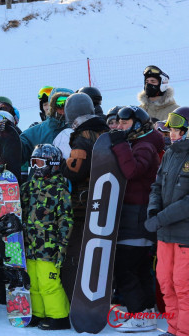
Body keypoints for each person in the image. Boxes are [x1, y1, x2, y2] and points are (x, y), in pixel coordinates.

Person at [109, 106, 164, 331]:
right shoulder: (140, 143)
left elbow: (132, 171)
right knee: (139, 267)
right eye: (119, 123)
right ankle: (146, 310)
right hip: (135, 213)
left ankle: (139, 312)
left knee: (124, 267)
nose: (120, 127)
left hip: (137, 215)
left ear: (138, 124)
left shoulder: (145, 146)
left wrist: (119, 144)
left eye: (125, 123)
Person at [58, 93, 109, 300]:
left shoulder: (83, 136)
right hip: (106, 200)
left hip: (83, 203)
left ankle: (76, 297)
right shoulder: (105, 132)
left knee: (75, 252)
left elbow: (76, 169)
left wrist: (60, 164)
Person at [147, 106, 189, 336]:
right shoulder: (170, 154)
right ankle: (174, 329)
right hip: (164, 233)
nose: (171, 134)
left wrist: (161, 217)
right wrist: (153, 211)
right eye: (171, 130)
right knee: (166, 283)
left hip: (185, 236)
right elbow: (156, 186)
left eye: (177, 130)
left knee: (184, 286)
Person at [22, 144, 73, 330]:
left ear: (53, 164)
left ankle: (59, 316)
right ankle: (38, 313)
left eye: (40, 162)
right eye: (33, 162)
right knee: (33, 283)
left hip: (48, 247)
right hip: (30, 244)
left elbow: (65, 220)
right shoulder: (28, 187)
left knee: (48, 283)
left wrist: (62, 246)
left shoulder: (60, 190)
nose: (35, 167)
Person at [20, 88, 73, 164]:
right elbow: (17, 153)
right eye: (60, 103)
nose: (64, 108)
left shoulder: (81, 129)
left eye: (69, 104)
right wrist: (6, 135)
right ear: (52, 106)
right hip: (41, 175)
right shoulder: (37, 132)